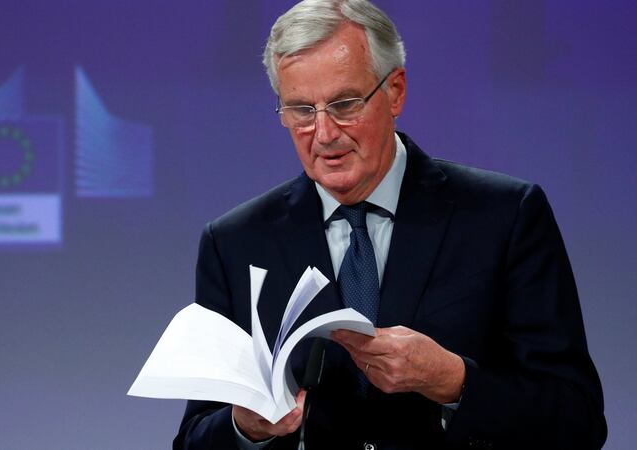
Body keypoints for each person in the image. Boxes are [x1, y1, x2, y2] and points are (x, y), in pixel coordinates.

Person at [173, 1, 606, 448]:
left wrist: (453, 380)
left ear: (395, 91)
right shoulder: (236, 242)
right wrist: (246, 428)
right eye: (301, 110)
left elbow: (577, 420)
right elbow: (194, 439)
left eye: (344, 103)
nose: (323, 133)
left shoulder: (506, 216)